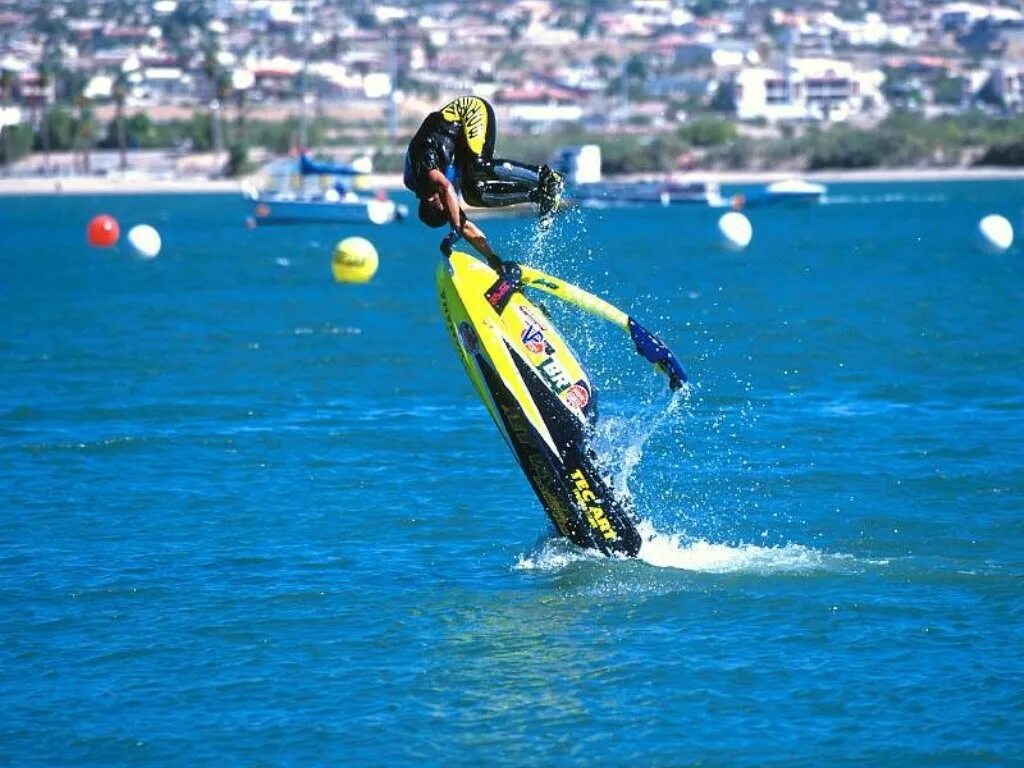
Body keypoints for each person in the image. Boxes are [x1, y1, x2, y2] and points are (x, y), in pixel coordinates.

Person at [404, 96, 564, 268]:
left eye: (443, 201)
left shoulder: (419, 176)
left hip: (467, 112)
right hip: (462, 145)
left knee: (480, 166)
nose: (447, 200)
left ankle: (545, 177)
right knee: (473, 195)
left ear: (429, 199)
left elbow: (445, 187)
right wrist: (494, 261)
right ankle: (539, 196)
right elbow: (465, 228)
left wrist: (455, 228)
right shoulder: (439, 196)